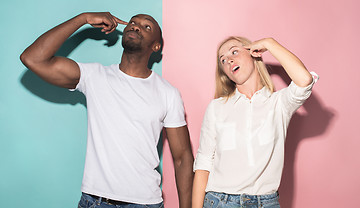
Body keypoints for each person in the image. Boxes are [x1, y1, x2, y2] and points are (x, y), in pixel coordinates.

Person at [20, 12, 194, 208]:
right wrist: (83, 18)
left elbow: (182, 158)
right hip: (95, 201)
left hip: (145, 203)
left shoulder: (167, 93)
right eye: (133, 22)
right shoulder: (94, 76)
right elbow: (32, 58)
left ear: (156, 46)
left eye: (147, 27)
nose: (136, 26)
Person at [192, 37, 318, 208]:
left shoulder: (279, 104)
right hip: (220, 202)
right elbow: (204, 163)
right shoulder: (216, 108)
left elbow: (304, 80)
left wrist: (269, 43)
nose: (228, 60)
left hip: (266, 203)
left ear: (253, 53)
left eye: (234, 51)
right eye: (223, 60)